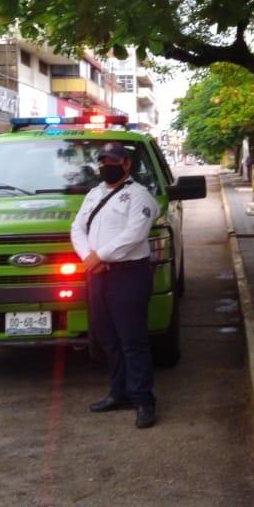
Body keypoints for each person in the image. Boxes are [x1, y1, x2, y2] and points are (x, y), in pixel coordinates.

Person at [70, 141, 160, 429]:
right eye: (103, 161)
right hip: (97, 274)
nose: (107, 165)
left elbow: (136, 233)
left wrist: (101, 255)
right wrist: (88, 258)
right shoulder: (94, 194)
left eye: (113, 160)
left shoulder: (139, 195)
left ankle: (143, 400)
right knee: (108, 339)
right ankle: (118, 393)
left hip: (128, 274)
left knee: (132, 340)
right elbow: (77, 228)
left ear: (126, 164)